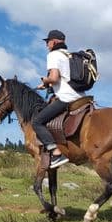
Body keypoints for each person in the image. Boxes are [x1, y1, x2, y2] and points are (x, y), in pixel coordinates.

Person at [33, 29, 85, 168]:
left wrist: (46, 80)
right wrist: (46, 85)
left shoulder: (54, 55)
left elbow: (54, 78)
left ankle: (56, 153)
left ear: (54, 41)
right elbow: (65, 78)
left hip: (66, 98)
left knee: (37, 122)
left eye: (48, 42)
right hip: (81, 97)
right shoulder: (69, 55)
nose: (47, 45)